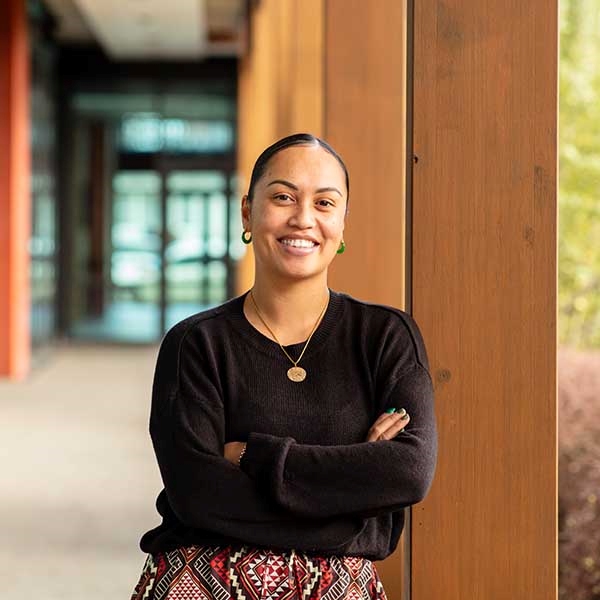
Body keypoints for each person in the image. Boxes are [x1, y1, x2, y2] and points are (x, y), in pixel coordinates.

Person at [130, 133, 438, 600]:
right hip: (205, 588)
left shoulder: (385, 336)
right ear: (248, 212)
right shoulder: (197, 344)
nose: (303, 218)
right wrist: (355, 511)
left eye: (325, 203)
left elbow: (409, 471)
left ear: (342, 224)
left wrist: (254, 457)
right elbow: (197, 495)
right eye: (283, 197)